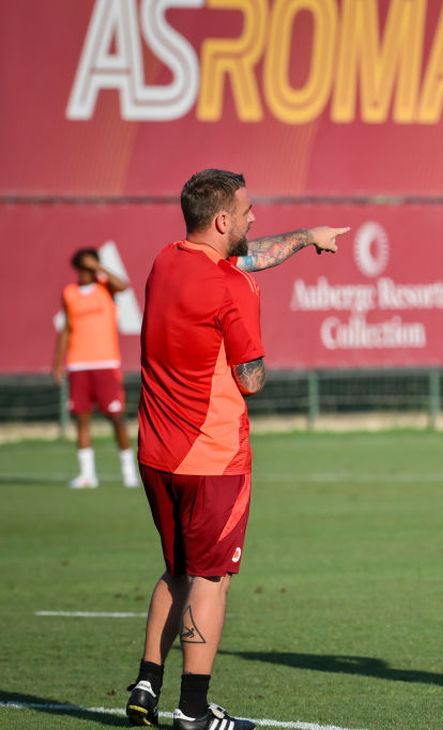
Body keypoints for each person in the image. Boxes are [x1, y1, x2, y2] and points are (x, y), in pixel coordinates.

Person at [124, 168, 349, 730]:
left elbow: (246, 257)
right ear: (223, 220)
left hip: (156, 452)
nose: (254, 220)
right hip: (214, 458)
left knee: (175, 569)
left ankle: (146, 686)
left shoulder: (166, 259)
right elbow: (251, 379)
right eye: (248, 211)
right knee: (210, 579)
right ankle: (195, 712)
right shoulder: (232, 287)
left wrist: (304, 237)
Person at [53, 248, 139, 489]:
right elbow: (67, 329)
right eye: (80, 268)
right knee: (82, 419)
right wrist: (59, 364)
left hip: (106, 363)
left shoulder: (106, 288)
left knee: (116, 417)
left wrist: (99, 267)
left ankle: (128, 473)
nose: (83, 273)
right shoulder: (69, 293)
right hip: (79, 364)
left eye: (87, 267)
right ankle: (87, 475)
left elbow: (123, 286)